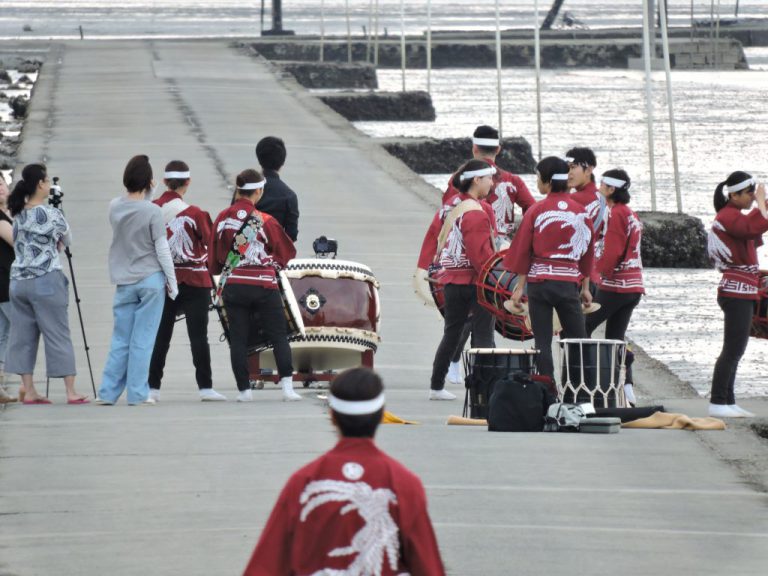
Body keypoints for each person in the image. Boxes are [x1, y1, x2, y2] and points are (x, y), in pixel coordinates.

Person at [242, 367, 445, 576]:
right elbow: (427, 565)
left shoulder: (303, 482)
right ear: (380, 415)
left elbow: (265, 565)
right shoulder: (404, 483)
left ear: (332, 417)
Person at [430, 125, 536, 385]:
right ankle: (482, 380)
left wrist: (432, 260)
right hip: (496, 254)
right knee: (487, 317)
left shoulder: (461, 180)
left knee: (461, 323)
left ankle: (453, 368)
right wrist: (519, 241)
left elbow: (445, 215)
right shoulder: (511, 181)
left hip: (462, 258)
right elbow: (533, 212)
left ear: (473, 147)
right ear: (499, 149)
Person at [209, 168, 300, 402]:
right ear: (258, 191)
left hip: (235, 286)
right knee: (279, 335)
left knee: (238, 339)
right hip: (263, 286)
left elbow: (215, 257)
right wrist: (272, 264)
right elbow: (287, 251)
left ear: (239, 190)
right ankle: (288, 389)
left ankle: (244, 391)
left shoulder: (222, 217)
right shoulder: (265, 220)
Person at [505, 156, 594, 385]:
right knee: (578, 341)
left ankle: (548, 391)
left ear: (546, 181)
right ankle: (580, 391)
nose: (536, 182)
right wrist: (585, 288)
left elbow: (523, 252)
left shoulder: (536, 210)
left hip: (540, 283)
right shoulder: (580, 211)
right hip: (568, 284)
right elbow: (587, 253)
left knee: (542, 341)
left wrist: (519, 288)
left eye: (537, 177)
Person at [96, 155, 178, 406]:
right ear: (148, 181)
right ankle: (137, 393)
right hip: (150, 280)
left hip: (124, 281)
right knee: (143, 339)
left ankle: (108, 393)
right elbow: (162, 248)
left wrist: (147, 193)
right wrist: (172, 283)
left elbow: (134, 212)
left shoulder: (114, 206)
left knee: (120, 338)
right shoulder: (153, 211)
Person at [5, 163, 88, 404]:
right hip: (46, 279)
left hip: (18, 281)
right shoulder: (52, 214)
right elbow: (67, 240)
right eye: (47, 180)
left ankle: (29, 390)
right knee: (57, 333)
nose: (50, 183)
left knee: (22, 336)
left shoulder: (17, 212)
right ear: (41, 184)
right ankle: (71, 391)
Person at [148, 160, 226, 402]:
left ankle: (152, 388)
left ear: (164, 181)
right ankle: (205, 388)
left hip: (163, 279)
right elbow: (210, 245)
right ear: (188, 182)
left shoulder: (150, 209)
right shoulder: (195, 213)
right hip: (196, 281)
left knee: (161, 335)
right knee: (198, 336)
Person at [428, 159, 496, 401]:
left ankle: (436, 386)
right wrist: (495, 279)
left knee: (452, 333)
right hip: (476, 283)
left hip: (451, 280)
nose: (492, 183)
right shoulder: (477, 212)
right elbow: (481, 255)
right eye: (489, 178)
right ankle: (486, 389)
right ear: (476, 180)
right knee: (484, 336)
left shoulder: (450, 206)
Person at [706, 171, 768, 418]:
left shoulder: (733, 216)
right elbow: (752, 227)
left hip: (741, 289)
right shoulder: (728, 216)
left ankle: (727, 401)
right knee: (732, 349)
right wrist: (764, 203)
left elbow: (753, 233)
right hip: (735, 292)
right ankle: (718, 401)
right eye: (749, 194)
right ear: (734, 194)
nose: (753, 198)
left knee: (736, 348)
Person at [584, 169, 644, 406]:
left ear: (611, 189)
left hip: (616, 285)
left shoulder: (617, 213)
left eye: (602, 184)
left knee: (582, 327)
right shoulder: (630, 213)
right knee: (615, 338)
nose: (598, 186)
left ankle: (589, 383)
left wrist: (595, 275)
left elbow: (613, 252)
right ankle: (625, 388)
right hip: (633, 285)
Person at [255, 136, 299, 241]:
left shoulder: (246, 190)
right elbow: (291, 235)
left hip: (242, 251)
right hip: (273, 252)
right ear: (282, 162)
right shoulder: (289, 196)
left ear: (259, 159)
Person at [0, 175, 16, 403]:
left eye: (1, 183)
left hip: (9, 279)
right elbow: (18, 240)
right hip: (5, 282)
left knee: (4, 334)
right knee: (19, 332)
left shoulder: (10, 213)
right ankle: (26, 385)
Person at [566, 146, 606, 236]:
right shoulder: (602, 197)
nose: (568, 173)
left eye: (572, 167)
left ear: (588, 170)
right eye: (566, 168)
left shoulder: (574, 199)